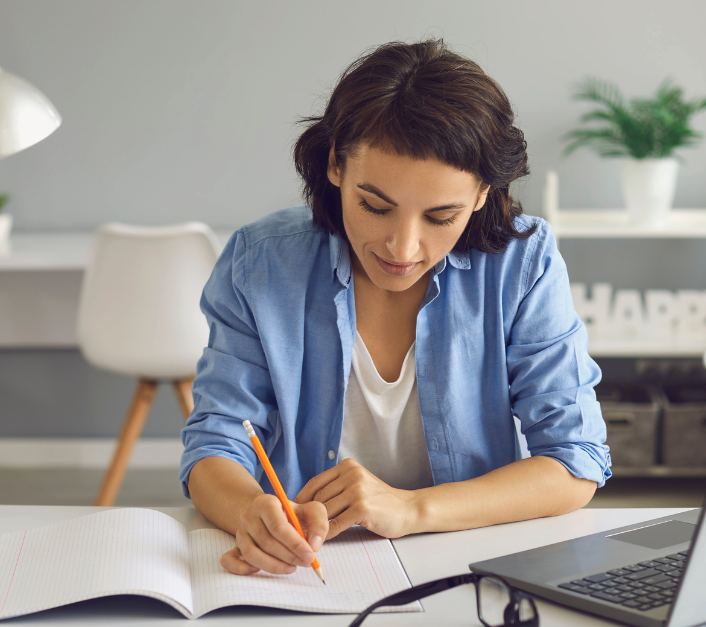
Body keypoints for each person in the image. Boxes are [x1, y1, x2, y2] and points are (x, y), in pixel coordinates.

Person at [180, 39, 610, 578]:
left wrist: (409, 509)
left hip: (470, 561)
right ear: (336, 164)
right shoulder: (261, 262)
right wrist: (251, 514)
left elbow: (575, 463)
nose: (402, 249)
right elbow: (215, 441)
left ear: (481, 194)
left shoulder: (523, 262)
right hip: (311, 571)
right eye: (374, 206)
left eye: (440, 217)